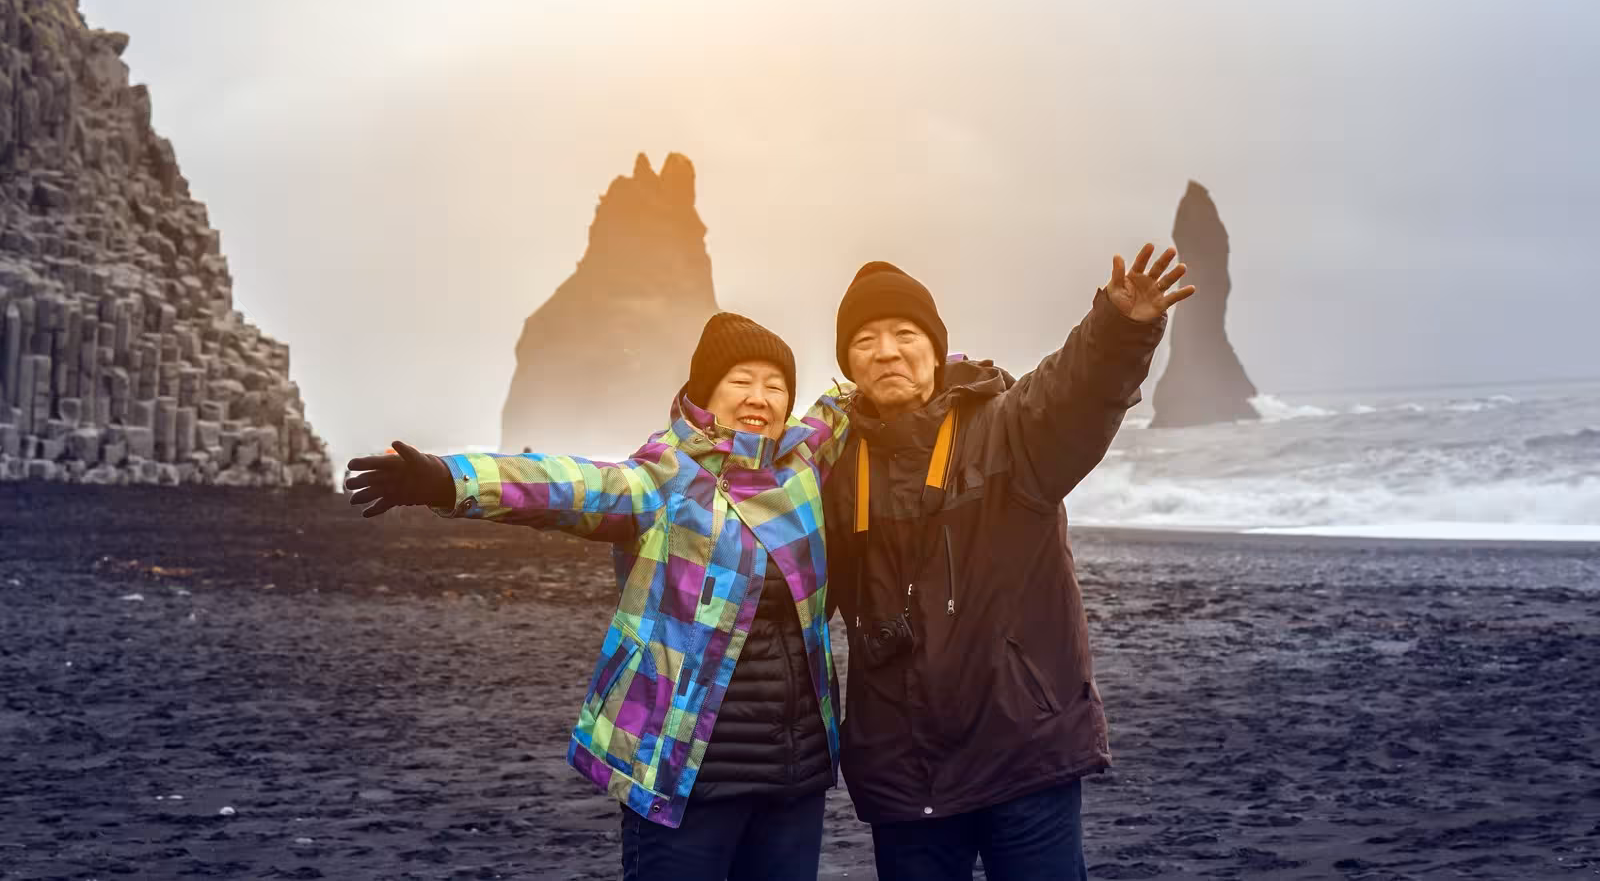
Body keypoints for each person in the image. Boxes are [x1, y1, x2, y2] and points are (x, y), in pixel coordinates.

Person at [344, 313, 852, 881]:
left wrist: (957, 371)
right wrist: (450, 478)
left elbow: (874, 388)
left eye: (775, 384)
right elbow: (568, 483)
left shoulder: (804, 464)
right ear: (706, 392)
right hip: (681, 769)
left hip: (792, 775)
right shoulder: (664, 478)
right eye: (741, 380)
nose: (759, 396)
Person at [825, 244, 1194, 880]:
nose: (886, 351)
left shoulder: (1009, 430)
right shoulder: (831, 466)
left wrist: (1120, 326)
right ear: (848, 362)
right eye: (865, 339)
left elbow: (1074, 390)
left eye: (904, 334)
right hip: (901, 767)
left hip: (1024, 748)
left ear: (935, 348)